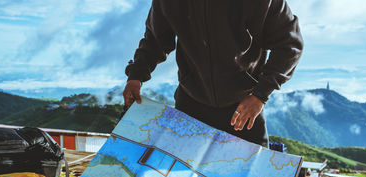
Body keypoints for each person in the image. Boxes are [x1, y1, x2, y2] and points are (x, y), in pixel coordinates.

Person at [123, 0, 303, 147]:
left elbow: (290, 45)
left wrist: (260, 95)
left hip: (243, 108)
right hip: (191, 104)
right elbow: (155, 40)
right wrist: (135, 76)